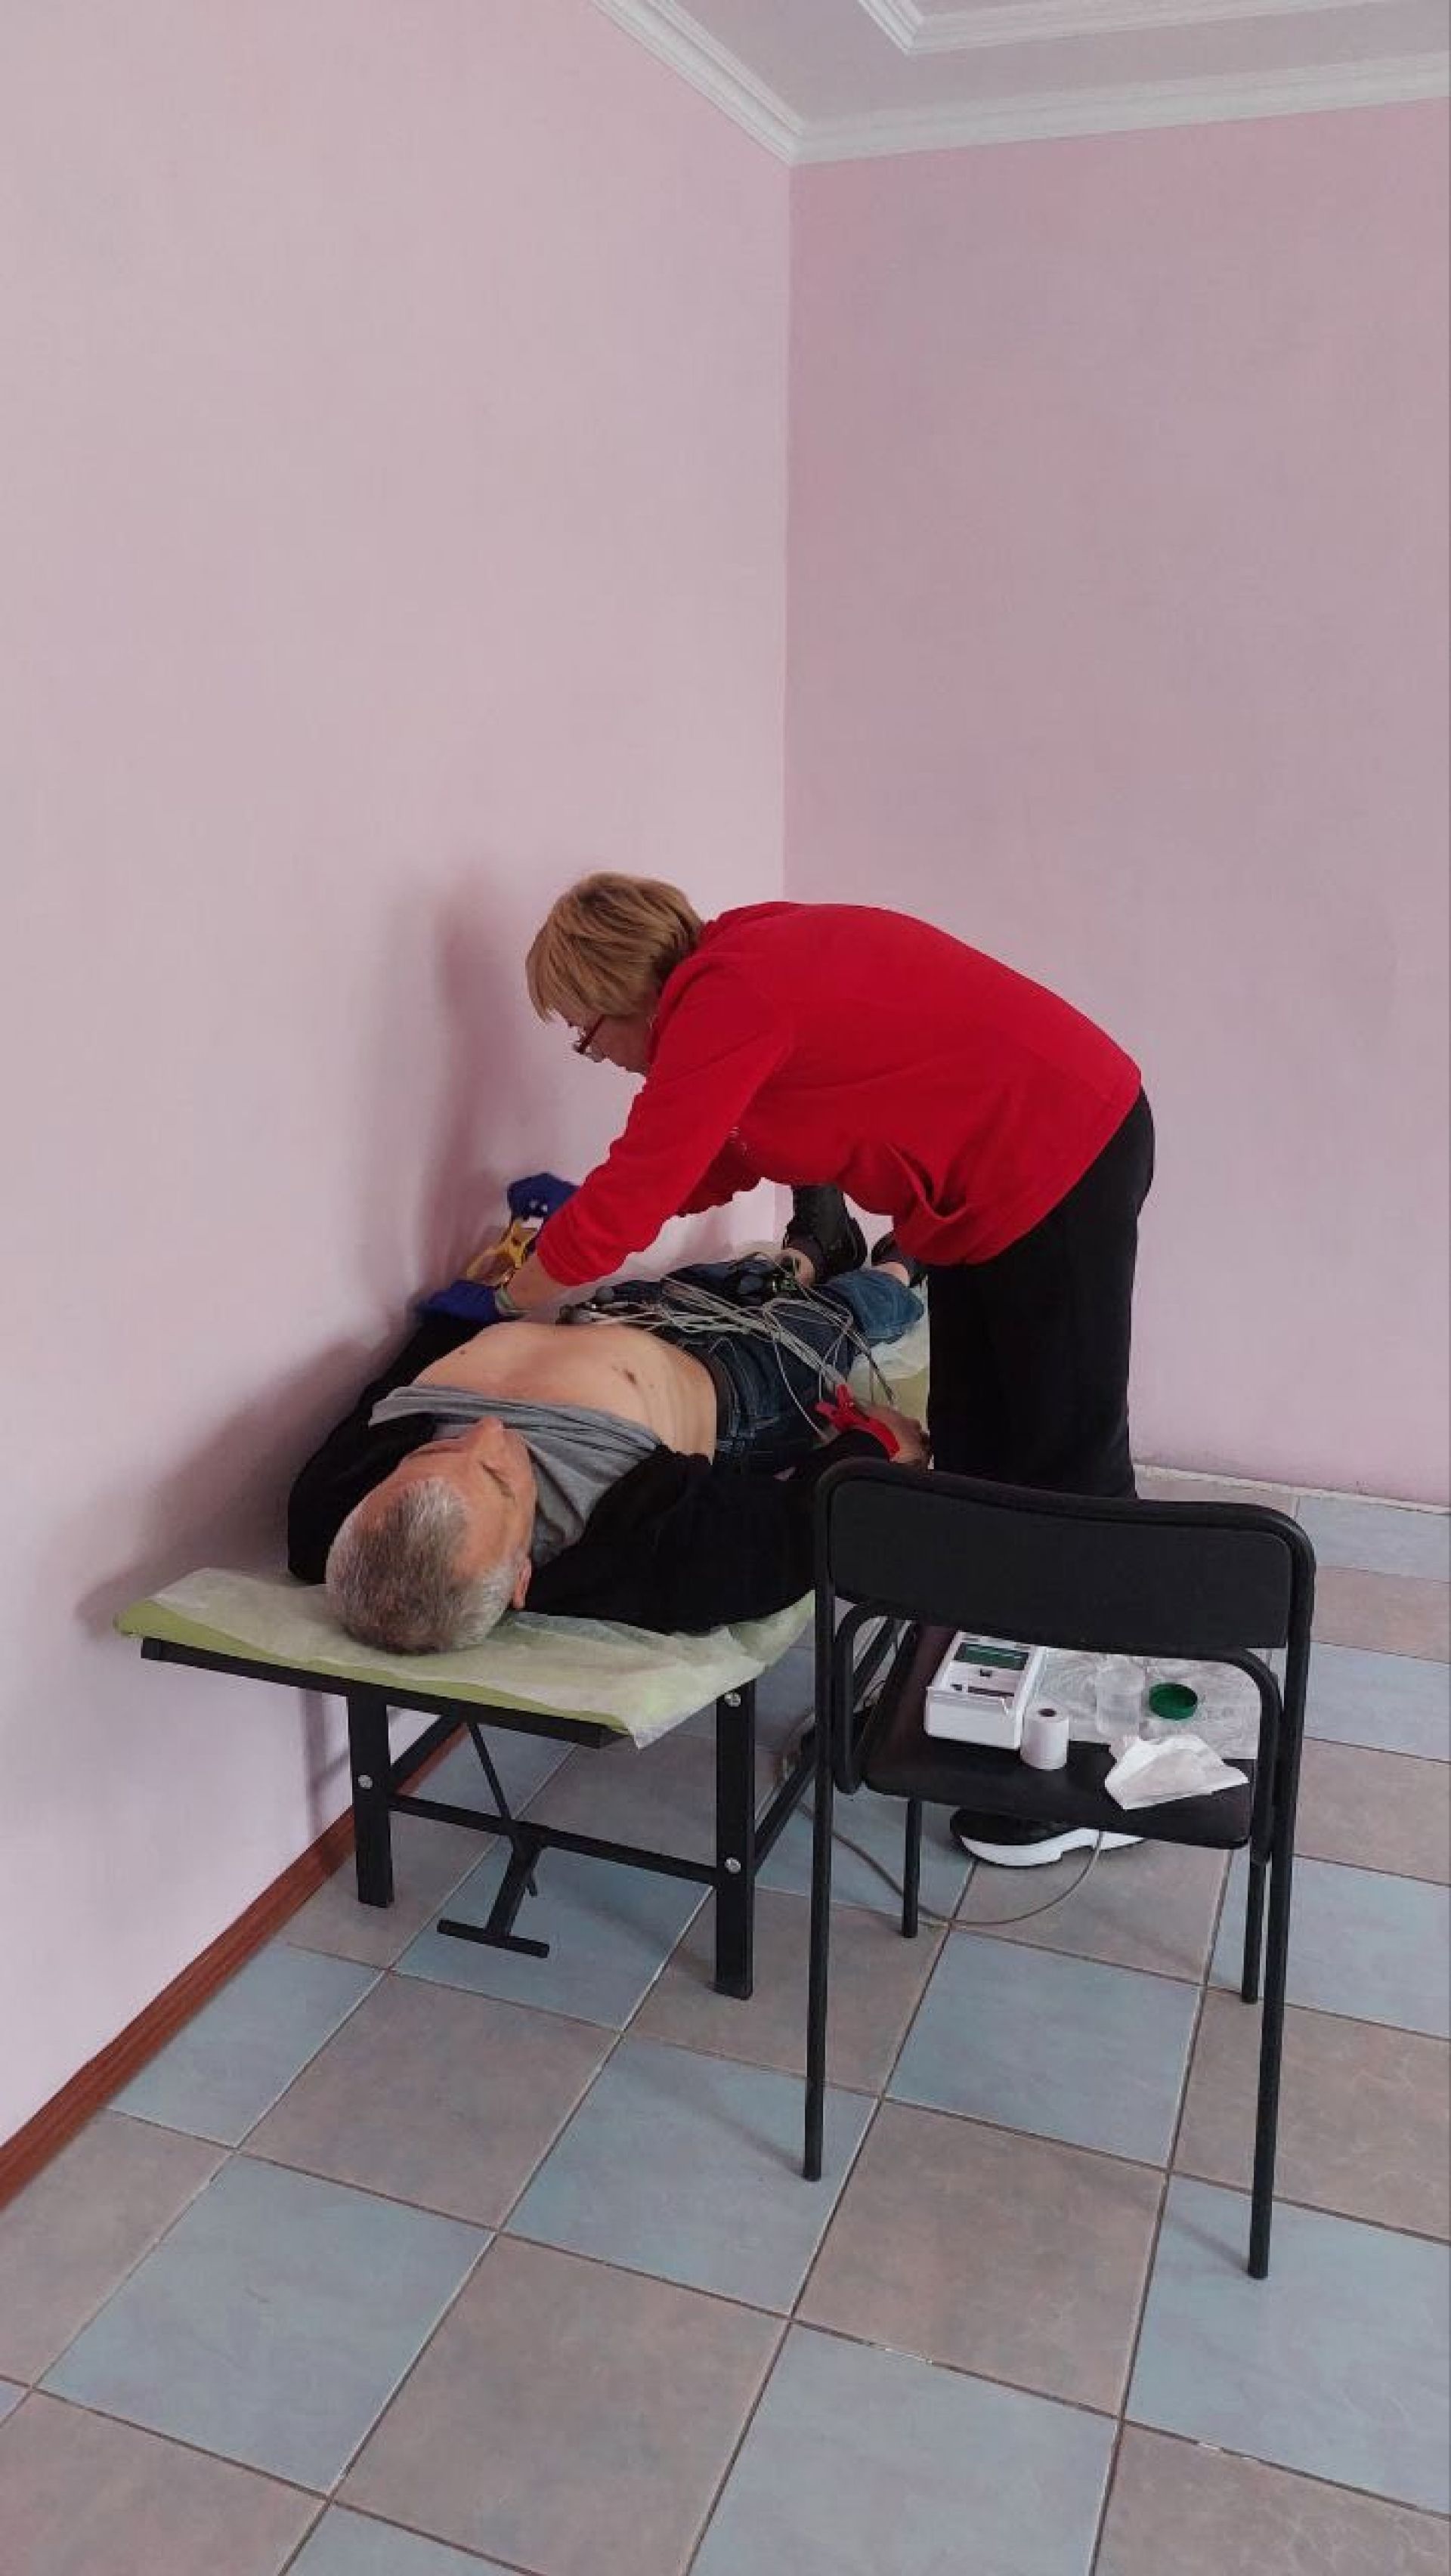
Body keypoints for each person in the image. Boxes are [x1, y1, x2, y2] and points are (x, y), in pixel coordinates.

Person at [487, 875, 1155, 1869]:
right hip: (994, 1181)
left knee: (1067, 1464)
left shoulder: (727, 997)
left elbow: (640, 1183)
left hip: (1059, 1149)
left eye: (587, 1035)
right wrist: (577, 1230)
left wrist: (521, 1288)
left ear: (622, 997)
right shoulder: (732, 976)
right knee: (979, 1447)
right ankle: (978, 1712)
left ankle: (1112, 1772)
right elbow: (706, 1157)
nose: (602, 1058)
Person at [288, 1214, 925, 1652]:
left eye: (438, 1449)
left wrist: (472, 1304)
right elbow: (793, 1537)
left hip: (619, 1308)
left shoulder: (336, 1519)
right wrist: (870, 1445)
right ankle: (903, 1263)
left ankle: (813, 1245)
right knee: (841, 1313)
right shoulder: (633, 1554)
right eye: (497, 1477)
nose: (486, 1430)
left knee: (742, 1274)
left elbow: (383, 1394)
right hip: (746, 1375)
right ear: (520, 1580)